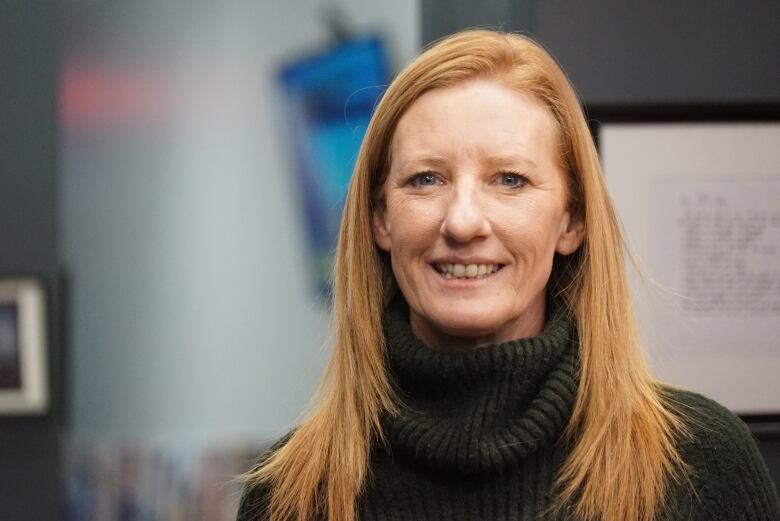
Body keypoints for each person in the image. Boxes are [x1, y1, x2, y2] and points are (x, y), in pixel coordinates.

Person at [237, 29, 780, 521]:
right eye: (426, 179)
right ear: (380, 219)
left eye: (510, 180)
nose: (464, 220)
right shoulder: (291, 493)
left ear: (572, 221)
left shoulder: (699, 465)